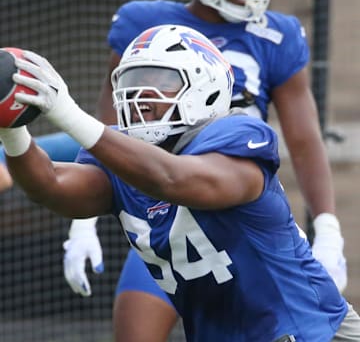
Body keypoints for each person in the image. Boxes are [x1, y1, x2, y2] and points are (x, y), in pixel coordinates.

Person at [1, 23, 360, 342]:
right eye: (133, 82)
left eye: (159, 82)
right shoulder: (123, 157)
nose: (140, 95)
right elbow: (49, 186)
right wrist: (12, 126)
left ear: (204, 87)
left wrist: (67, 113)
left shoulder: (237, 135)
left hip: (310, 330)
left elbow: (173, 178)